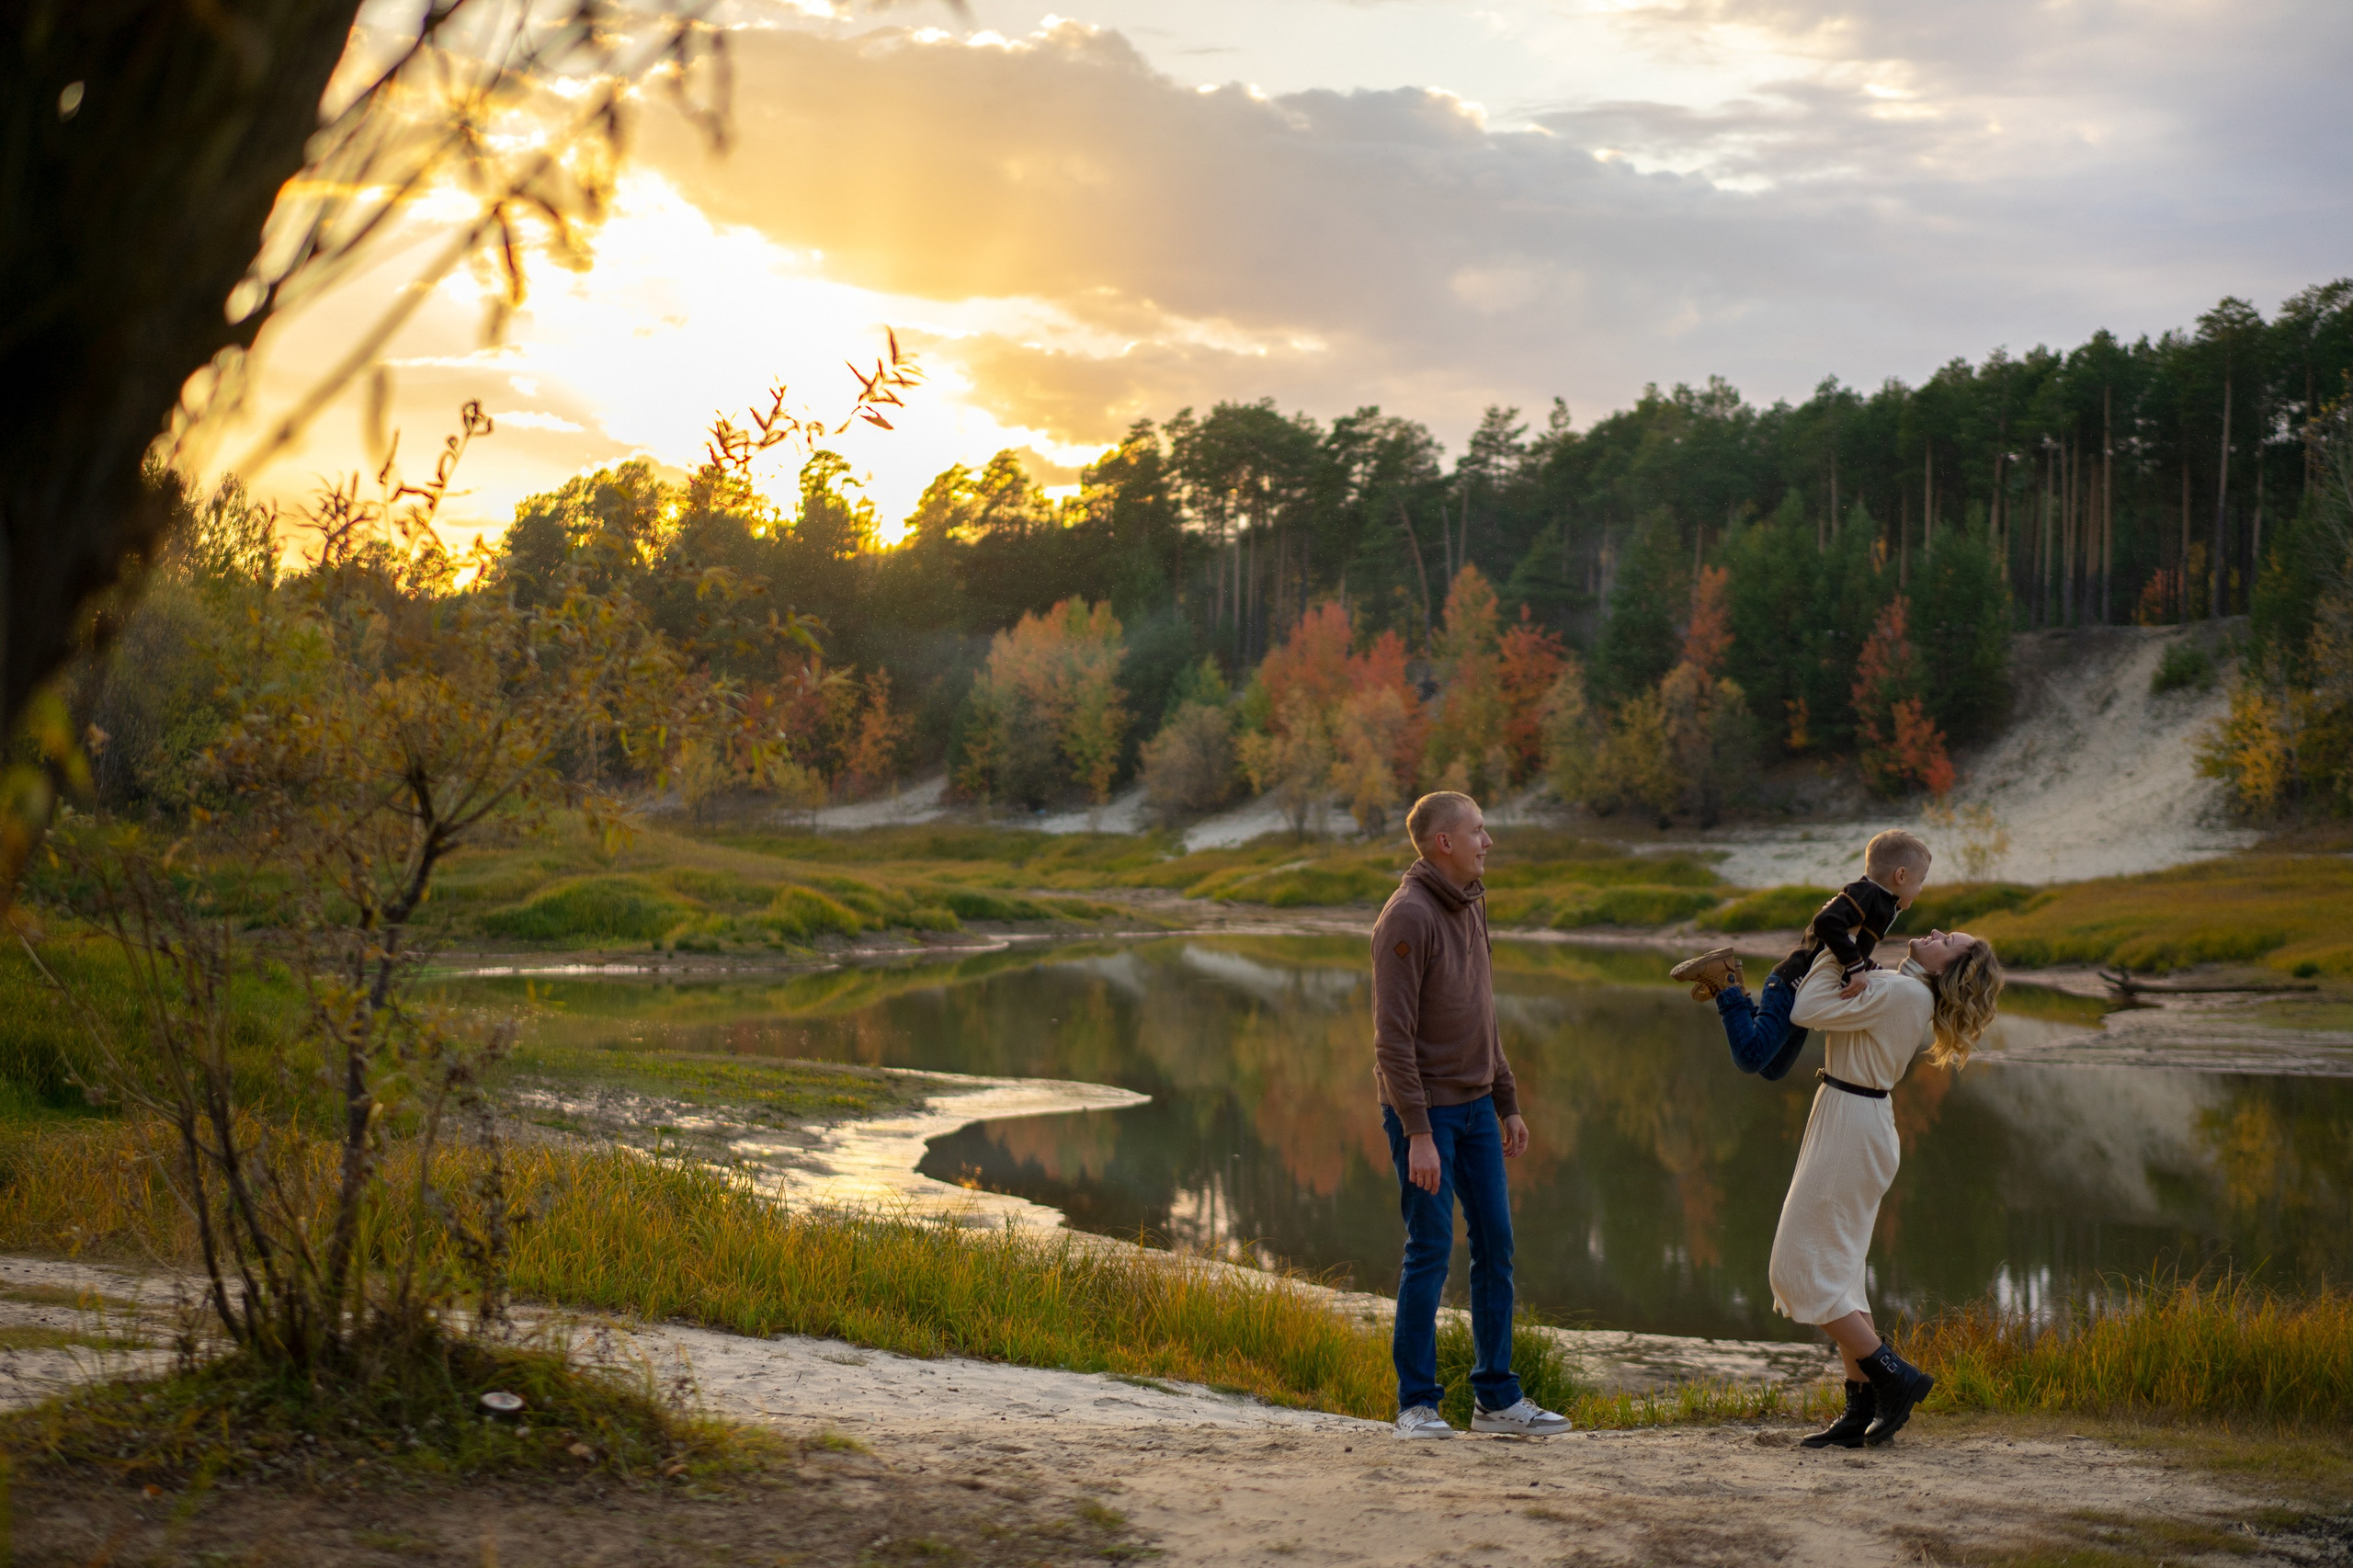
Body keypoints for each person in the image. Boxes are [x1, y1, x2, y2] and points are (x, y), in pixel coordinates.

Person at [1370, 790, 1571, 1440]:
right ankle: (1417, 1404)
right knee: (1429, 1251)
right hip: (1427, 1119)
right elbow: (1392, 1042)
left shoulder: (1472, 903)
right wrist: (1419, 1134)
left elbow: (1484, 1012)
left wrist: (1506, 1099)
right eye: (1479, 831)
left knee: (1497, 1248)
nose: (1490, 842)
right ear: (1444, 844)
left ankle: (1496, 1400)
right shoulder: (1406, 918)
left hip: (1479, 1111)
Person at [1761, 928, 2004, 1449]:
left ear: (1945, 969)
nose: (1935, 933)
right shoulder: (1900, 989)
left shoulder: (1902, 993)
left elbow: (1804, 1010)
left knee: (1795, 1265)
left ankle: (1896, 1375)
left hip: (1851, 1122)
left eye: (1948, 940)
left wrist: (1831, 949)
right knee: (1844, 1273)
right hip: (1852, 1115)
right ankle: (1859, 1407)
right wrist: (1856, 967)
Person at [1669, 829, 1933, 1082]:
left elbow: (1852, 948)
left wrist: (1869, 968)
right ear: (1900, 875)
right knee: (1751, 1058)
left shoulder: (1882, 903)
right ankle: (1725, 986)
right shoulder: (1867, 894)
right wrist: (1856, 969)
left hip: (1805, 993)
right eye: (1920, 881)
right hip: (1792, 983)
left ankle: (1736, 988)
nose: (1921, 889)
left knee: (1773, 1069)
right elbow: (1826, 922)